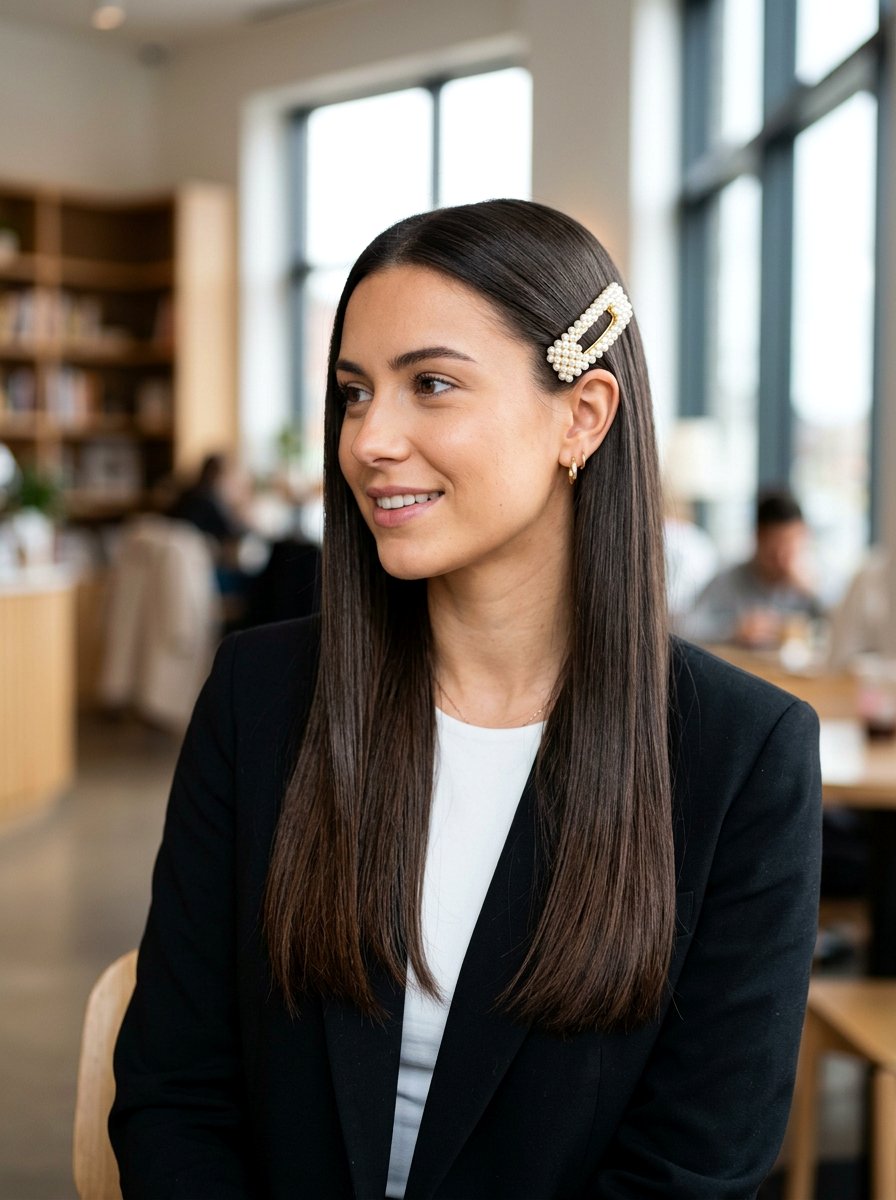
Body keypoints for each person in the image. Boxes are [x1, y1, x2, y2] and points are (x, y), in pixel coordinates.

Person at [110, 200, 821, 1199]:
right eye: (353, 394)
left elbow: (690, 1171)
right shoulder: (260, 698)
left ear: (582, 416)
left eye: (430, 385)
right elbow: (174, 1090)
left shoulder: (741, 756)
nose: (368, 440)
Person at [681, 489, 824, 647]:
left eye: (790, 548)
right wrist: (733, 630)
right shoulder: (728, 581)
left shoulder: (810, 587)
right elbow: (686, 628)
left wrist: (812, 592)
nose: (782, 558)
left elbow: (835, 630)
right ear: (758, 538)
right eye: (775, 549)